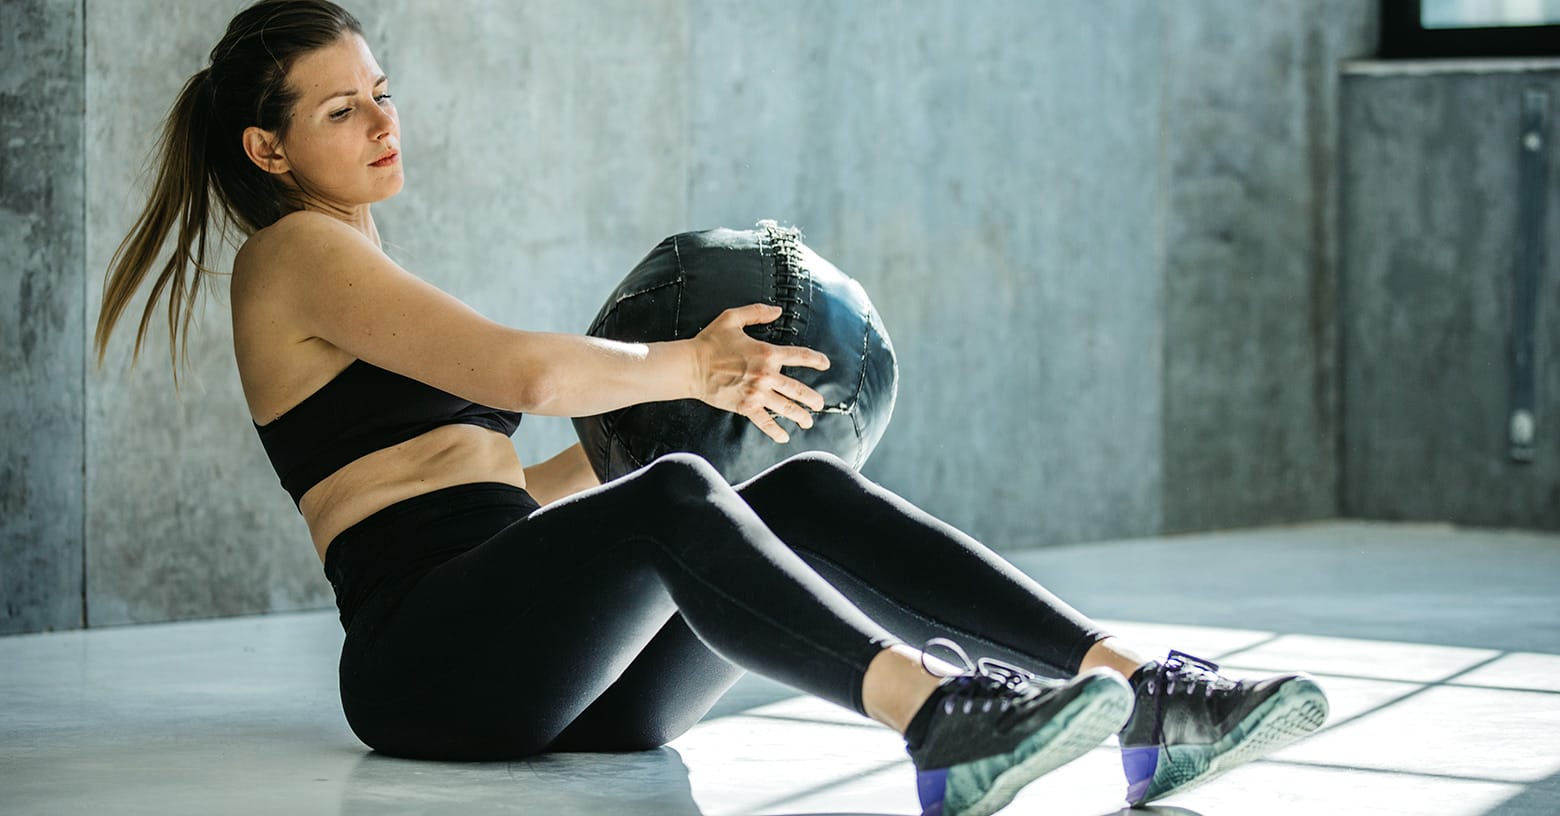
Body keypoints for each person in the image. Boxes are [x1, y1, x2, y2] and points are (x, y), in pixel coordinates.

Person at [93, 2, 1329, 814]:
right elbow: (524, 378)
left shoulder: (359, 263)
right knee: (681, 493)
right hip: (428, 669)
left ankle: (1146, 692)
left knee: (783, 487)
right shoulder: (292, 255)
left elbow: (495, 496)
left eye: (382, 90)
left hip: (547, 670)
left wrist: (625, 452)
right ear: (267, 152)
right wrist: (690, 369)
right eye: (339, 108)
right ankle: (938, 717)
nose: (382, 121)